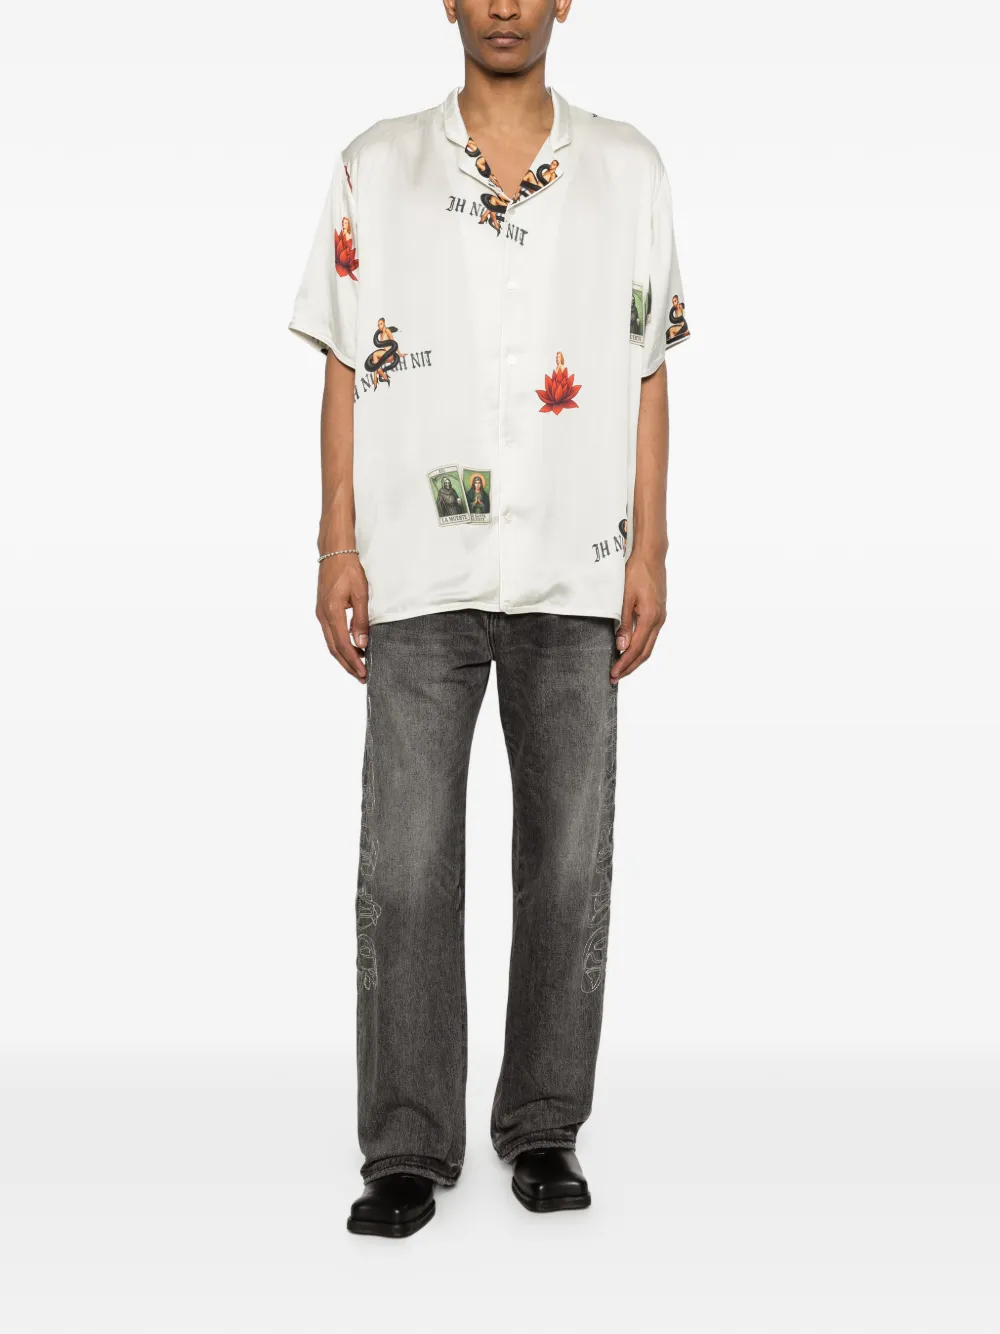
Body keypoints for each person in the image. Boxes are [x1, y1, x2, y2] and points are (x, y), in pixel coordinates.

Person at [288, 0, 691, 1239]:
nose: (505, 4)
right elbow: (345, 361)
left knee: (567, 863)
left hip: (575, 564)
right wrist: (336, 541)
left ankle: (544, 1122)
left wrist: (651, 545)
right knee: (406, 867)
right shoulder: (375, 165)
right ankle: (406, 1143)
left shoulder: (627, 168)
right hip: (418, 564)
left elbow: (648, 368)